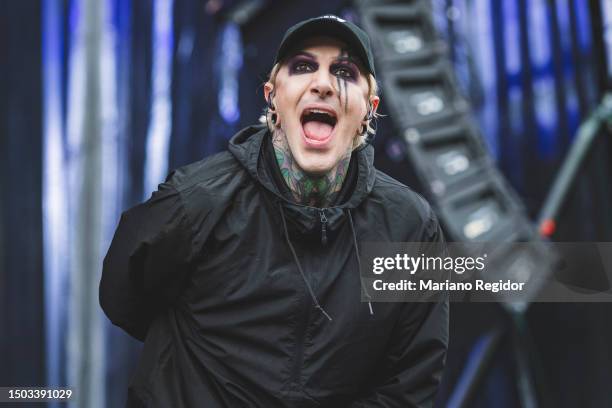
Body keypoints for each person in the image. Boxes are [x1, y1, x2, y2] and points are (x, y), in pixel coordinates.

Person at [100, 15, 449, 408]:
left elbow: (410, 380)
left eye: (345, 71)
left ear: (369, 109)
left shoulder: (411, 227)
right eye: (302, 67)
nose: (322, 83)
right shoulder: (197, 200)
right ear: (272, 98)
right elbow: (122, 293)